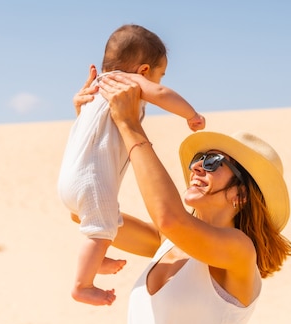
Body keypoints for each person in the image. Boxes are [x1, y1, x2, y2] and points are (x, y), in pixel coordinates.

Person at [72, 69, 291, 324]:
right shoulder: (165, 242)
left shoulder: (238, 252)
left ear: (241, 194)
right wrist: (89, 125)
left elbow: (170, 217)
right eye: (197, 160)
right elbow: (84, 210)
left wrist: (130, 125)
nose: (197, 168)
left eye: (213, 162)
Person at [57, 24, 206, 306]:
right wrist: (191, 114)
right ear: (144, 71)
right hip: (90, 180)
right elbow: (161, 93)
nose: (157, 82)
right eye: (159, 74)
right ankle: (83, 285)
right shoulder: (127, 82)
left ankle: (97, 258)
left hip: (68, 178)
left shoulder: (96, 89)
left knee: (105, 222)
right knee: (101, 228)